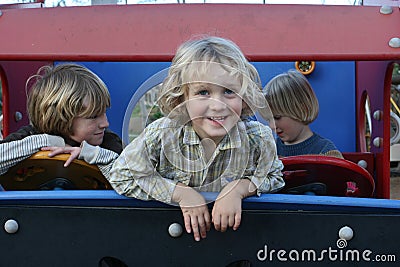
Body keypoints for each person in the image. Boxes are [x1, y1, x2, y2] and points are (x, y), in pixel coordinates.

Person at [103, 36, 285, 242]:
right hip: (168, 239)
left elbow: (274, 176)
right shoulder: (163, 134)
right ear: (182, 98)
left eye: (229, 91)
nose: (218, 105)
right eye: (203, 92)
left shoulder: (257, 139)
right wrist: (180, 193)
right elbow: (122, 175)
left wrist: (238, 189)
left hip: (234, 242)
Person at [0, 63, 123, 176]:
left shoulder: (107, 142)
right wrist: (51, 142)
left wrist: (91, 154)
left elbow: (129, 178)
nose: (105, 123)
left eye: (104, 112)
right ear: (62, 118)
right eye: (93, 116)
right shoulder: (32, 135)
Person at [264, 70, 343, 158]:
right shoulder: (269, 150)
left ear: (302, 109)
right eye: (268, 119)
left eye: (277, 117)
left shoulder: (326, 152)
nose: (271, 126)